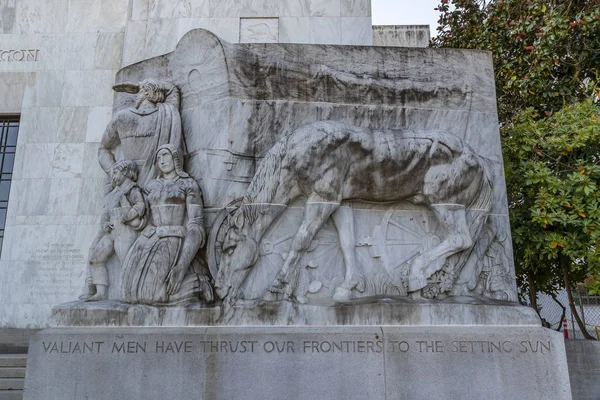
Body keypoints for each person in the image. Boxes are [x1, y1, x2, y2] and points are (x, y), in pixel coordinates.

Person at [120, 144, 212, 305]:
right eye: (158, 157)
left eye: (165, 155)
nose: (162, 161)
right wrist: (127, 214)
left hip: (173, 240)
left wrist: (182, 265)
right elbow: (143, 219)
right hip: (147, 240)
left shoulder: (188, 185)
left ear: (176, 158)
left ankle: (198, 282)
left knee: (156, 296)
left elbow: (196, 225)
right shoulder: (151, 186)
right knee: (128, 294)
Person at [79, 160, 146, 301]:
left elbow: (140, 205)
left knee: (126, 262)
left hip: (126, 229)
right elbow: (105, 214)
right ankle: (101, 292)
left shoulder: (132, 188)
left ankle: (132, 293)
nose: (113, 176)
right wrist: (105, 225)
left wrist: (127, 216)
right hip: (111, 230)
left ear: (125, 172)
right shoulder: (111, 194)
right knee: (95, 258)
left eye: (116, 172)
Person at [99, 79, 185, 185]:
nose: (136, 96)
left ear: (146, 93)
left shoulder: (121, 116)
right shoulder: (168, 112)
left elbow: (103, 149)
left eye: (139, 92)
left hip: (152, 179)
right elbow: (172, 90)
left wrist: (114, 172)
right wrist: (141, 86)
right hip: (154, 179)